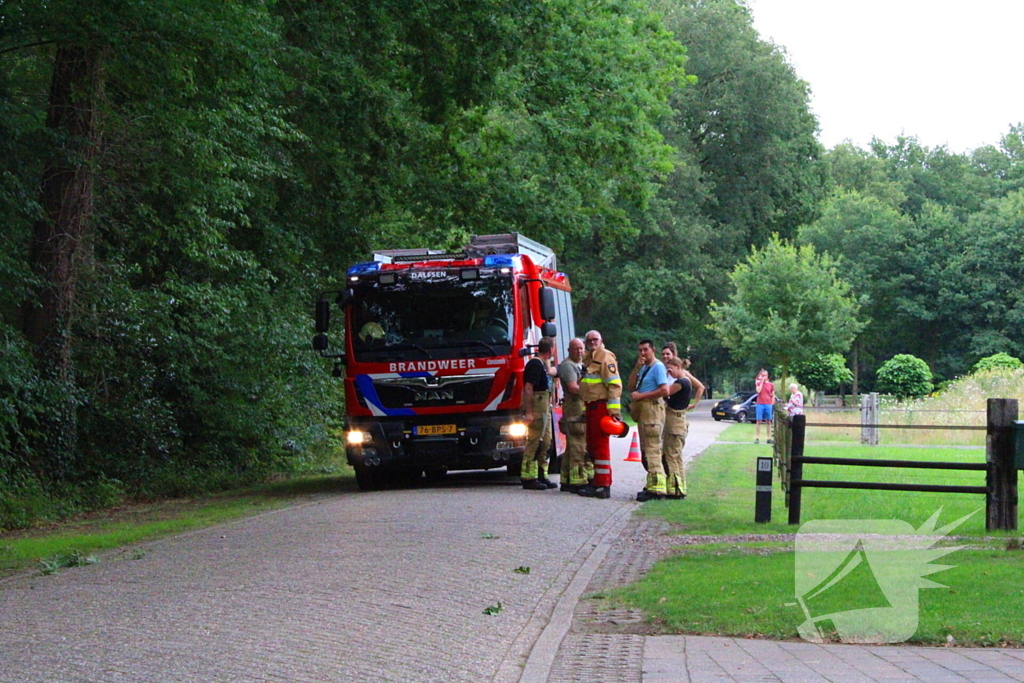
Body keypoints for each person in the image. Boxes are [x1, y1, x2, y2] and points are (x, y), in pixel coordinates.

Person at [577, 330, 622, 499]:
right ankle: (597, 482)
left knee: (601, 446)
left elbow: (615, 385)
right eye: (589, 340)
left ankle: (603, 485)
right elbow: (587, 388)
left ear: (601, 340)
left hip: (602, 407)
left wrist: (614, 411)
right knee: (592, 445)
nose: (592, 342)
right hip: (591, 407)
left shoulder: (605, 357)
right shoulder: (590, 358)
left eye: (595, 339)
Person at [628, 339, 672, 502]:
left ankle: (657, 489)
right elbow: (631, 386)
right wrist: (637, 367)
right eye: (640, 350)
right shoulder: (644, 367)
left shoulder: (658, 367)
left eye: (645, 350)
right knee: (646, 449)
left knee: (652, 449)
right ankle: (652, 483)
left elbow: (664, 389)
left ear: (653, 350)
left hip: (652, 409)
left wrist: (641, 396)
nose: (642, 353)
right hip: (643, 410)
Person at [662, 357, 705, 500]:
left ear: (678, 366)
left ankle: (674, 489)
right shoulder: (685, 382)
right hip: (679, 421)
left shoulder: (681, 382)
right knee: (677, 457)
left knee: (671, 456)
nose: (669, 373)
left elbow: (664, 391)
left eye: (670, 369)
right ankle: (680, 487)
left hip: (675, 422)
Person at [520, 337, 557, 490]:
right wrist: (529, 412)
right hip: (537, 405)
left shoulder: (542, 364)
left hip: (545, 406)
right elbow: (529, 388)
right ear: (551, 350)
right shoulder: (535, 364)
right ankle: (528, 477)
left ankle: (542, 474)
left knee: (546, 441)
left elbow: (551, 372)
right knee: (535, 440)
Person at [557, 337, 592, 492]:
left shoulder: (582, 365)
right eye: (575, 348)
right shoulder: (568, 366)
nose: (579, 351)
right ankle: (578, 482)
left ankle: (565, 480)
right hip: (574, 412)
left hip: (581, 409)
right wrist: (592, 392)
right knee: (578, 447)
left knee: (572, 447)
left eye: (581, 348)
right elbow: (573, 388)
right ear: (569, 350)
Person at [754, 369, 775, 444]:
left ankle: (769, 438)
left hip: (768, 404)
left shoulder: (771, 384)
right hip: (760, 403)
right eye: (762, 375)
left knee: (768, 421)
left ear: (767, 376)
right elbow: (758, 391)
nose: (763, 377)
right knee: (758, 421)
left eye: (765, 375)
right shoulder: (758, 383)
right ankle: (757, 438)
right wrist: (761, 382)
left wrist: (772, 402)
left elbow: (773, 394)